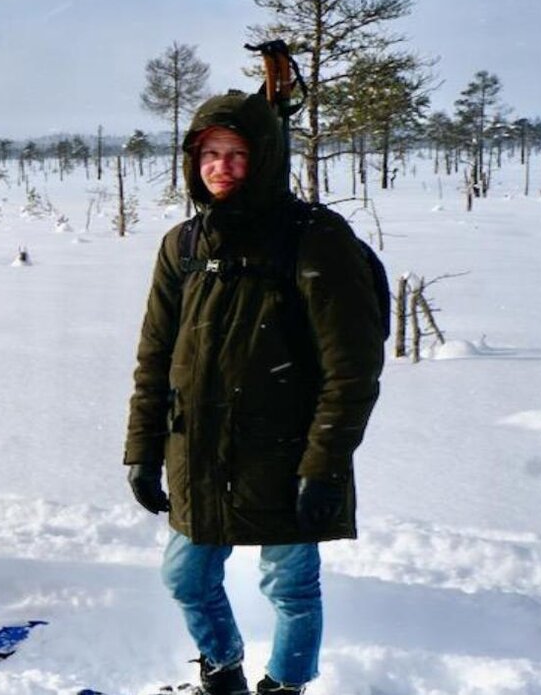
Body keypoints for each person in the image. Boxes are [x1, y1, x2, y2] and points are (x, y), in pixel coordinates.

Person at [124, 89, 385, 694]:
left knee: (289, 585)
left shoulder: (313, 238)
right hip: (200, 451)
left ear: (264, 158)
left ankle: (285, 687)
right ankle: (222, 674)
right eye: (209, 153)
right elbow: (155, 358)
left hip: (287, 451)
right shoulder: (183, 245)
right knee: (187, 577)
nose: (220, 166)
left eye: (237, 154)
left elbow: (351, 368)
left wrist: (323, 466)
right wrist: (142, 449)